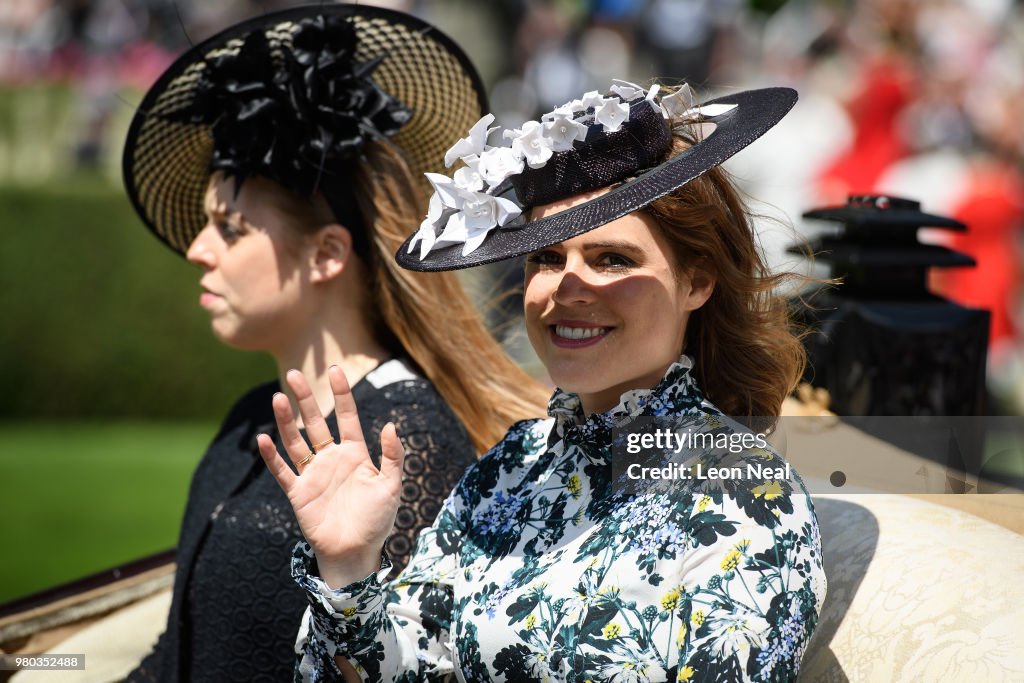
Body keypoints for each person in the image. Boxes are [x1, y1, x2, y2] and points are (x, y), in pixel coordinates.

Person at [261, 82, 827, 681]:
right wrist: (349, 570)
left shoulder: (745, 493)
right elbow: (406, 665)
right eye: (547, 259)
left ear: (697, 282)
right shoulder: (512, 467)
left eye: (612, 259)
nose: (566, 285)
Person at [120, 6, 547, 682]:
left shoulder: (407, 442)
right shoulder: (249, 418)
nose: (198, 251)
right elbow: (180, 652)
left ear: (326, 253)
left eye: (230, 229)